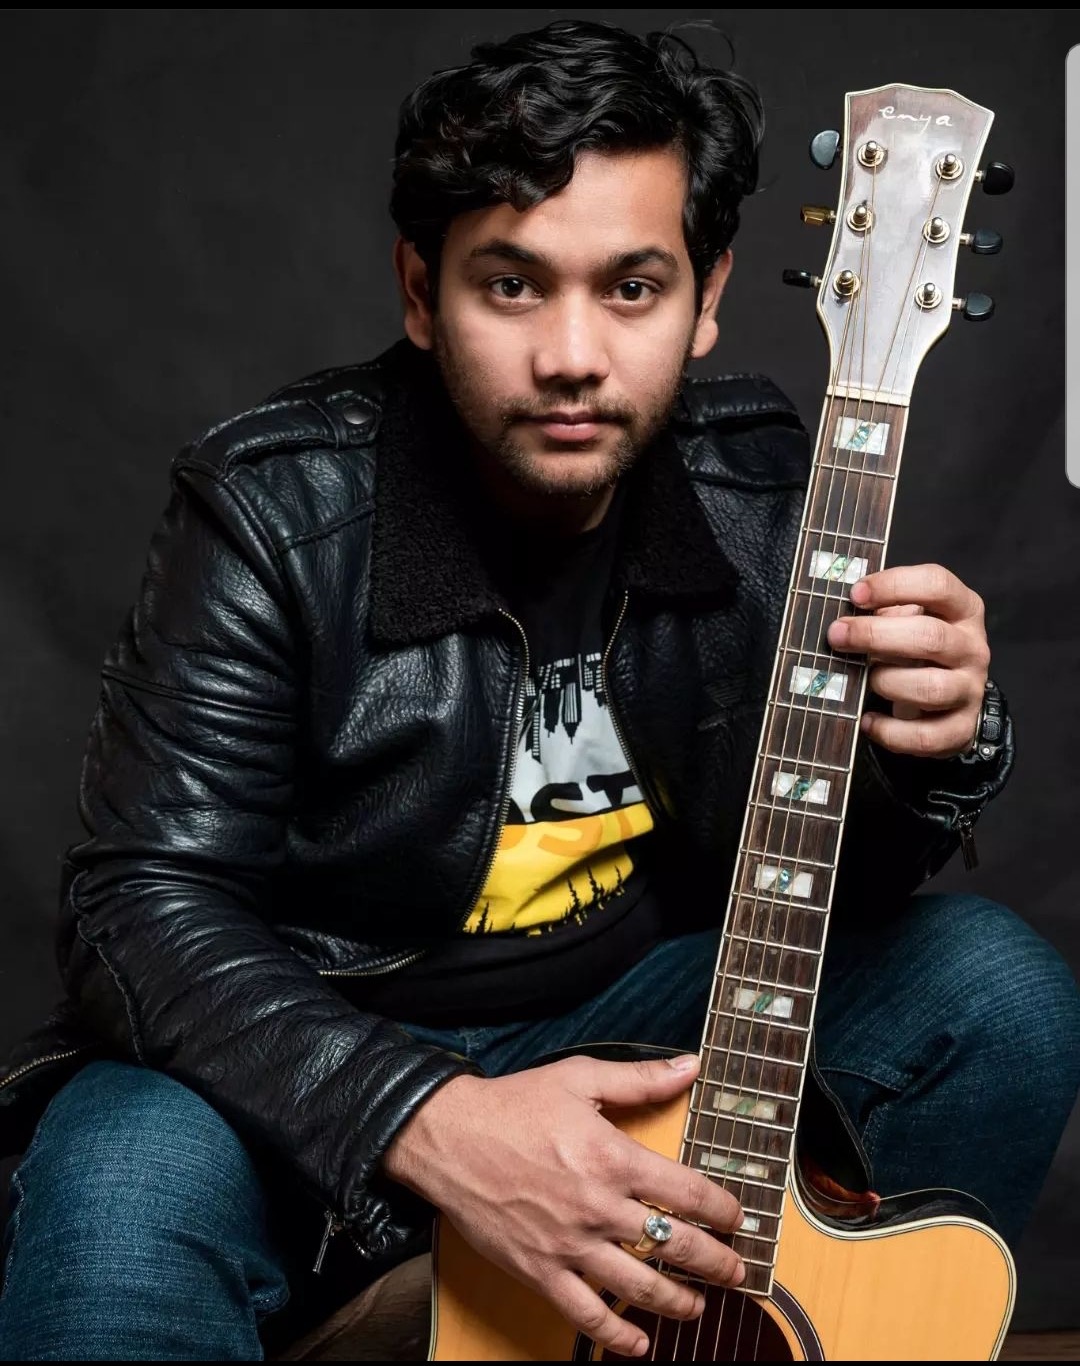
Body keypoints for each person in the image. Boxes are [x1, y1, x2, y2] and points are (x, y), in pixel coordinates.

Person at [0, 17, 1077, 1362]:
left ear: (707, 296)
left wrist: (933, 746)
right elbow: (138, 905)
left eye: (632, 288)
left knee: (992, 991)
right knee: (119, 1181)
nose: (573, 354)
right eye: (512, 285)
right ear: (420, 289)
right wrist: (432, 1117)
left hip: (628, 1039)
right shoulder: (276, 511)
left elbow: (817, 891)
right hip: (322, 1061)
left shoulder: (754, 481)